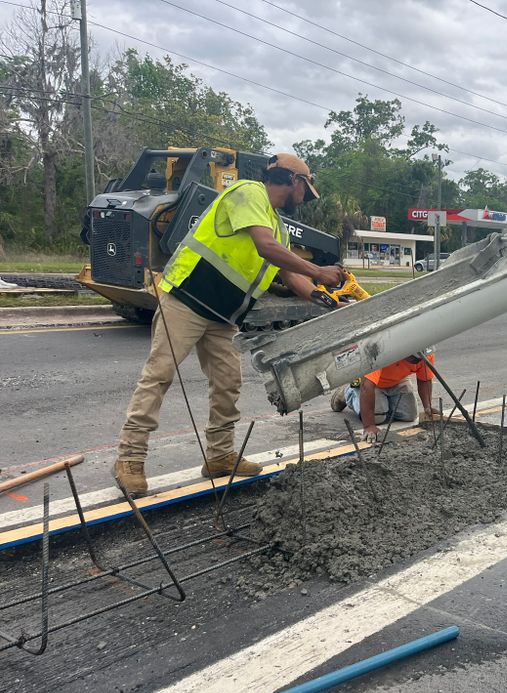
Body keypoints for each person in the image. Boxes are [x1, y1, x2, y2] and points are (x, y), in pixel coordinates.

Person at [113, 153, 346, 496]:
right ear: (294, 181)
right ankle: (129, 459)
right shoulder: (249, 193)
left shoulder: (277, 225)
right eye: (305, 190)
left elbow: (291, 275)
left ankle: (219, 456)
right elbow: (265, 248)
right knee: (159, 374)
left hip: (223, 317)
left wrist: (325, 296)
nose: (305, 199)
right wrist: (319, 271)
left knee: (227, 383)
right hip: (188, 299)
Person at [330, 352, 442, 443]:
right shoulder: (382, 353)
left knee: (409, 415)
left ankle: (384, 402)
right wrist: (369, 426)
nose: (417, 360)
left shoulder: (426, 354)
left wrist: (427, 406)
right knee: (377, 418)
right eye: (414, 357)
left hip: (398, 380)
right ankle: (349, 393)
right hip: (371, 384)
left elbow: (424, 380)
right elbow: (367, 387)